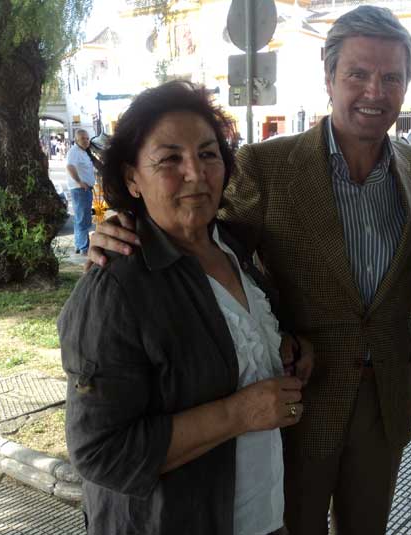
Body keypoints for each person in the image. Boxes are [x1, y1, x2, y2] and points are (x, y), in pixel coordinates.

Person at [86, 7, 411, 534]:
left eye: (391, 77)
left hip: (385, 402)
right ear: (329, 77)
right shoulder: (268, 167)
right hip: (297, 399)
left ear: (406, 86)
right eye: (358, 74)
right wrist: (125, 226)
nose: (374, 91)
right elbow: (196, 230)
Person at [58, 81, 314, 535]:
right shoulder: (116, 284)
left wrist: (286, 349)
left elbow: (231, 342)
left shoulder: (232, 246)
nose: (195, 173)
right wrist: (239, 413)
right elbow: (100, 451)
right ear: (133, 178)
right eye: (169, 159)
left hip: (263, 516)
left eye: (208, 153)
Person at [66, 129, 97, 254]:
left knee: (83, 218)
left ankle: (80, 245)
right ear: (77, 140)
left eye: (87, 138)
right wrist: (79, 182)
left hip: (86, 189)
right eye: (83, 138)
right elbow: (70, 166)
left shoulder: (84, 152)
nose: (86, 140)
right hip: (79, 189)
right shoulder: (74, 152)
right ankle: (84, 247)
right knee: (82, 218)